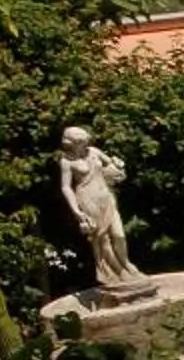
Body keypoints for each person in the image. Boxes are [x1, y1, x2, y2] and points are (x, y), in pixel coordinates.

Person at [56, 125, 145, 292]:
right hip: (87, 200)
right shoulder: (66, 162)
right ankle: (118, 273)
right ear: (72, 143)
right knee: (102, 240)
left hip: (106, 197)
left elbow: (111, 163)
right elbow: (66, 188)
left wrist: (117, 166)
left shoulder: (94, 152)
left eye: (85, 141)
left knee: (119, 235)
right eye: (81, 142)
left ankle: (126, 263)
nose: (85, 144)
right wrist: (76, 211)